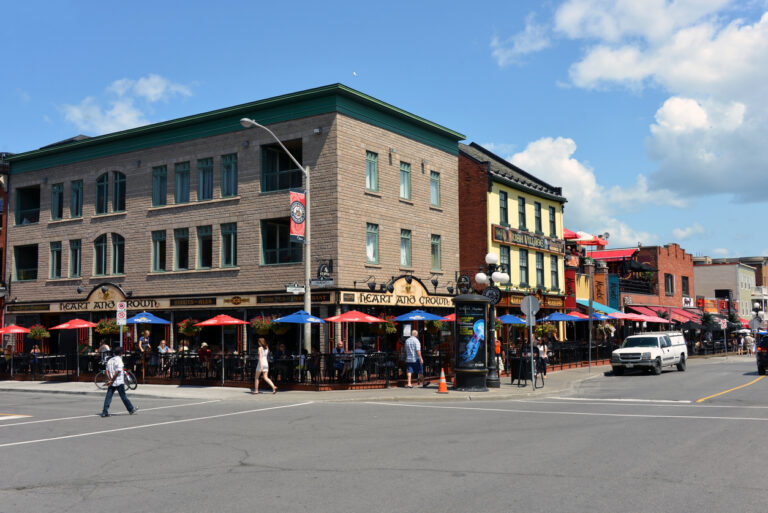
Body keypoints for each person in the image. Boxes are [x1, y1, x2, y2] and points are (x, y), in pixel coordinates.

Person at [100, 347, 137, 417]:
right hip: (119, 381)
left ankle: (105, 411)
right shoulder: (119, 360)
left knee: (108, 396)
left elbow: (107, 371)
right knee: (123, 396)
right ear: (120, 353)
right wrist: (112, 380)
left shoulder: (110, 360)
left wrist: (110, 380)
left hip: (112, 382)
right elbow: (118, 371)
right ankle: (131, 409)